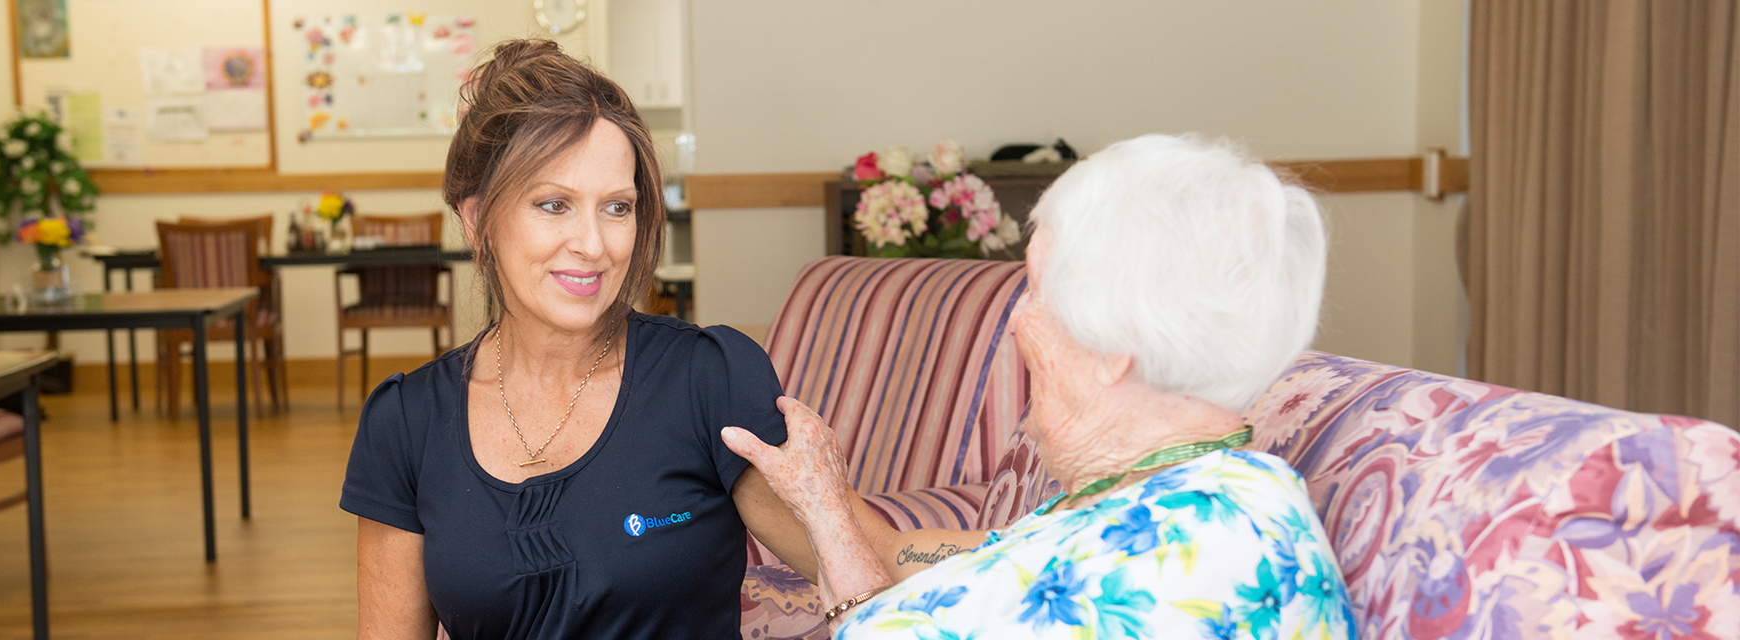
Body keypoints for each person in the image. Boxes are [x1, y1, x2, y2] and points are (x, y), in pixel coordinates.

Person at [723, 134, 1357, 639]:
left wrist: (834, 537)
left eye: (1037, 288)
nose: (1019, 320)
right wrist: (810, 497)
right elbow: (896, 553)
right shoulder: (1183, 496)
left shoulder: (1187, 554)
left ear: (1114, 345)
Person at [340, 39, 827, 639]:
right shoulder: (407, 422)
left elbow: (866, 560)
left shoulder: (709, 378)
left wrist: (978, 553)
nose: (592, 245)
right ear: (477, 220)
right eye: (554, 205)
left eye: (617, 208)